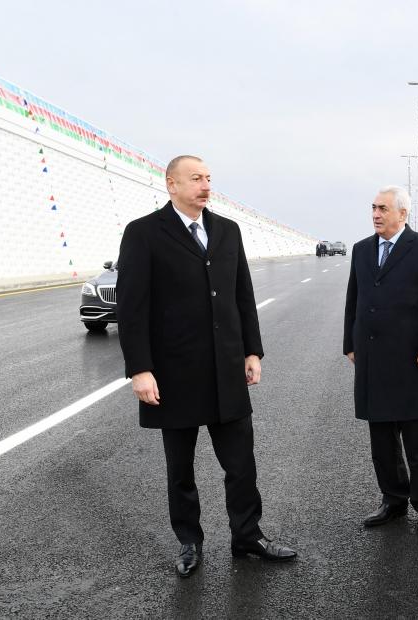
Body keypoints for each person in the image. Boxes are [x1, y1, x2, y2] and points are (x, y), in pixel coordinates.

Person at [116, 155, 296, 577]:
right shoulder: (144, 233)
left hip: (226, 368)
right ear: (171, 184)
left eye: (208, 178)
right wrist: (140, 369)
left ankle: (247, 536)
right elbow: (132, 307)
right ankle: (189, 542)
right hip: (173, 373)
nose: (205, 186)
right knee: (180, 468)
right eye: (196, 178)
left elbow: (242, 295)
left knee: (241, 463)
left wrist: (252, 352)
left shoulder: (227, 230)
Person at [343, 185, 418, 537]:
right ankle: (393, 499)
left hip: (412, 359)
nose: (376, 214)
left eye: (383, 209)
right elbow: (354, 299)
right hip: (372, 359)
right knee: (382, 440)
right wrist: (350, 343)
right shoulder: (361, 249)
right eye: (373, 208)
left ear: (403, 214)